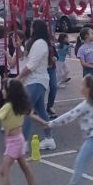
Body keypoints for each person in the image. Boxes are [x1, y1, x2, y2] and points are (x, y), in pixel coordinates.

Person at [18, 20, 57, 151]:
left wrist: (18, 77)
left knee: (25, 110)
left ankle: (23, 143)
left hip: (36, 80)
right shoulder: (37, 43)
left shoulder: (40, 44)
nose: (30, 29)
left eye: (32, 27)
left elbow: (31, 65)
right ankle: (49, 139)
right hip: (35, 80)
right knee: (41, 110)